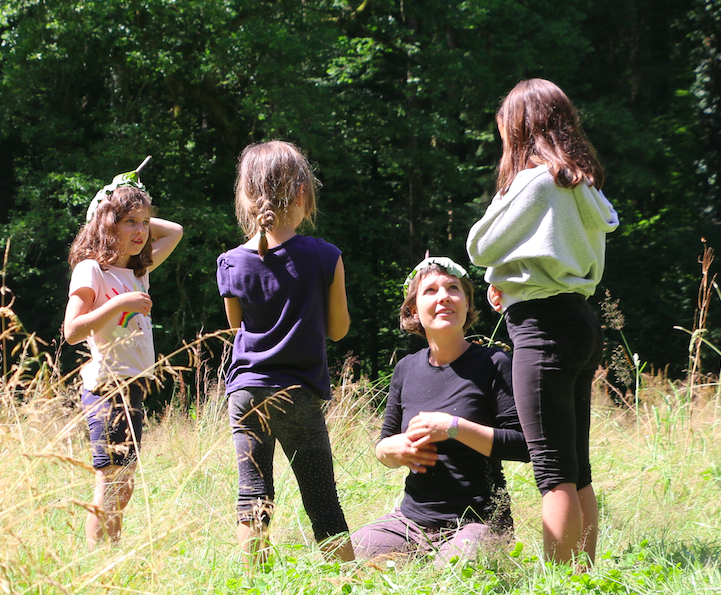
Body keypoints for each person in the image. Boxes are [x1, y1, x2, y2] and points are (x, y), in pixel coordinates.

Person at [467, 78, 619, 565]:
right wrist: (510, 282)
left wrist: (500, 271)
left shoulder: (533, 182)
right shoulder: (582, 184)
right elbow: (557, 252)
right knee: (578, 468)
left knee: (553, 471)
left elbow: (479, 245)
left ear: (520, 128)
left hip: (542, 331)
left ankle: (561, 591)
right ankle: (585, 576)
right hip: (578, 321)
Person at [217, 140, 354, 567]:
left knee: (253, 494)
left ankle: (253, 590)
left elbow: (236, 327)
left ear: (245, 198)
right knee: (321, 499)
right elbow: (338, 330)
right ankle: (348, 587)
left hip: (245, 391)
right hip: (298, 391)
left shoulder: (230, 263)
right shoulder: (325, 256)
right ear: (302, 195)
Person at [352, 257, 529, 562]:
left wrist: (454, 427)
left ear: (466, 303)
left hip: (477, 521)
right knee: (351, 552)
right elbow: (384, 446)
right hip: (410, 522)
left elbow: (523, 445)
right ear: (413, 311)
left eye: (453, 288)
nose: (444, 296)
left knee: (460, 569)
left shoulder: (493, 363)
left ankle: (458, 556)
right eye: (430, 290)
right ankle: (421, 555)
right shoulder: (406, 369)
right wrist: (391, 450)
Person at [64, 164, 184, 546]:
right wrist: (121, 305)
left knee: (124, 485)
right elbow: (71, 331)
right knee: (110, 481)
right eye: (129, 221)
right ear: (105, 224)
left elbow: (175, 232)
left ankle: (110, 555)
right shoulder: (92, 271)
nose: (140, 231)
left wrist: (130, 196)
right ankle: (99, 561)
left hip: (133, 389)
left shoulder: (137, 271)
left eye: (145, 222)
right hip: (106, 388)